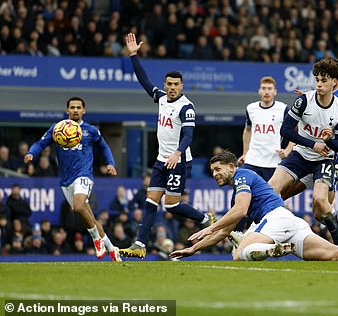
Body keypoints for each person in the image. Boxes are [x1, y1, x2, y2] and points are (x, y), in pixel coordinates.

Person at [169, 151, 338, 261]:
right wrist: (194, 249)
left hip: (275, 220)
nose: (215, 174)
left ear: (232, 167)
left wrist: (208, 229)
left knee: (238, 255)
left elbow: (240, 212)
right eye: (212, 171)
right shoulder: (239, 189)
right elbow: (224, 229)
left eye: (218, 169)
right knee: (335, 255)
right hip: (291, 223)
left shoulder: (242, 176)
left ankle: (270, 250)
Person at [119, 33, 214, 259]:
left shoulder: (186, 107)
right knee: (151, 201)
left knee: (170, 206)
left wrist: (177, 154)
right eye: (169, 84)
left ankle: (204, 219)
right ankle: (140, 245)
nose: (172, 88)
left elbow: (189, 134)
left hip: (179, 162)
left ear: (182, 86)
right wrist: (133, 55)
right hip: (162, 160)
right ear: (165, 85)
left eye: (175, 85)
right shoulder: (161, 98)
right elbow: (144, 81)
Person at [24, 96, 121, 261]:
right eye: (72, 107)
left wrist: (110, 163)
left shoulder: (90, 130)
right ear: (67, 110)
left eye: (78, 107)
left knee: (78, 206)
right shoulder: (58, 129)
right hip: (66, 180)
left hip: (84, 174)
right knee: (88, 215)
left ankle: (96, 240)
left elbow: (104, 146)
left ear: (84, 110)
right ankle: (112, 248)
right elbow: (40, 144)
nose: (75, 110)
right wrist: (31, 153)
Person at [267, 57, 338, 245]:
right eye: (317, 80)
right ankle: (263, 233)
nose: (319, 84)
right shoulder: (303, 100)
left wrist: (330, 139)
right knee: (271, 188)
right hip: (301, 155)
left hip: (325, 160)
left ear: (335, 82)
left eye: (324, 80)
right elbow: (285, 131)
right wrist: (313, 144)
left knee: (320, 203)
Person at [238, 76, 289, 181]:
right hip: (252, 161)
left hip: (273, 162)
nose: (267, 92)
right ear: (259, 91)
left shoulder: (282, 109)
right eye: (264, 88)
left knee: (271, 195)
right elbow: (247, 130)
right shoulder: (251, 108)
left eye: (270, 89)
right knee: (246, 193)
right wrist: (245, 153)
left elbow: (294, 131)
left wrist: (288, 150)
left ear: (275, 92)